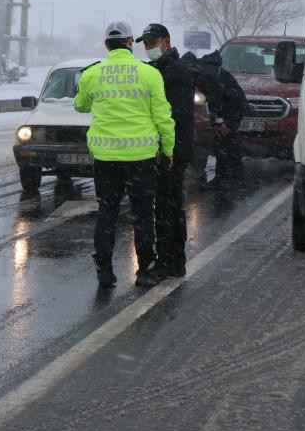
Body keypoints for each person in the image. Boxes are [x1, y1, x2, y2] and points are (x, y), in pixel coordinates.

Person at [74, 21, 175, 288]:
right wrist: (168, 149)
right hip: (141, 158)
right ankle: (144, 270)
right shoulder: (149, 74)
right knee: (143, 215)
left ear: (107, 44)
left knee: (107, 212)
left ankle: (105, 271)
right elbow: (163, 117)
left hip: (106, 159)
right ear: (131, 43)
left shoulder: (92, 74)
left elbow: (80, 105)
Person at [136, 23, 195, 278]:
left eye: (152, 43)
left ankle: (172, 260)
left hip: (172, 151)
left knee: (168, 207)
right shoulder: (158, 69)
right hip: (165, 148)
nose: (149, 48)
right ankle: (170, 259)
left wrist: (166, 149)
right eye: (146, 44)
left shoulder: (176, 72)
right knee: (165, 207)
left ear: (166, 42)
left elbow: (174, 116)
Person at [195, 49, 249, 189]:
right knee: (225, 143)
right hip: (233, 106)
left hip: (232, 108)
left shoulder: (206, 74)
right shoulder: (209, 70)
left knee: (225, 143)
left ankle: (227, 179)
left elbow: (215, 100)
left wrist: (220, 122)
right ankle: (234, 178)